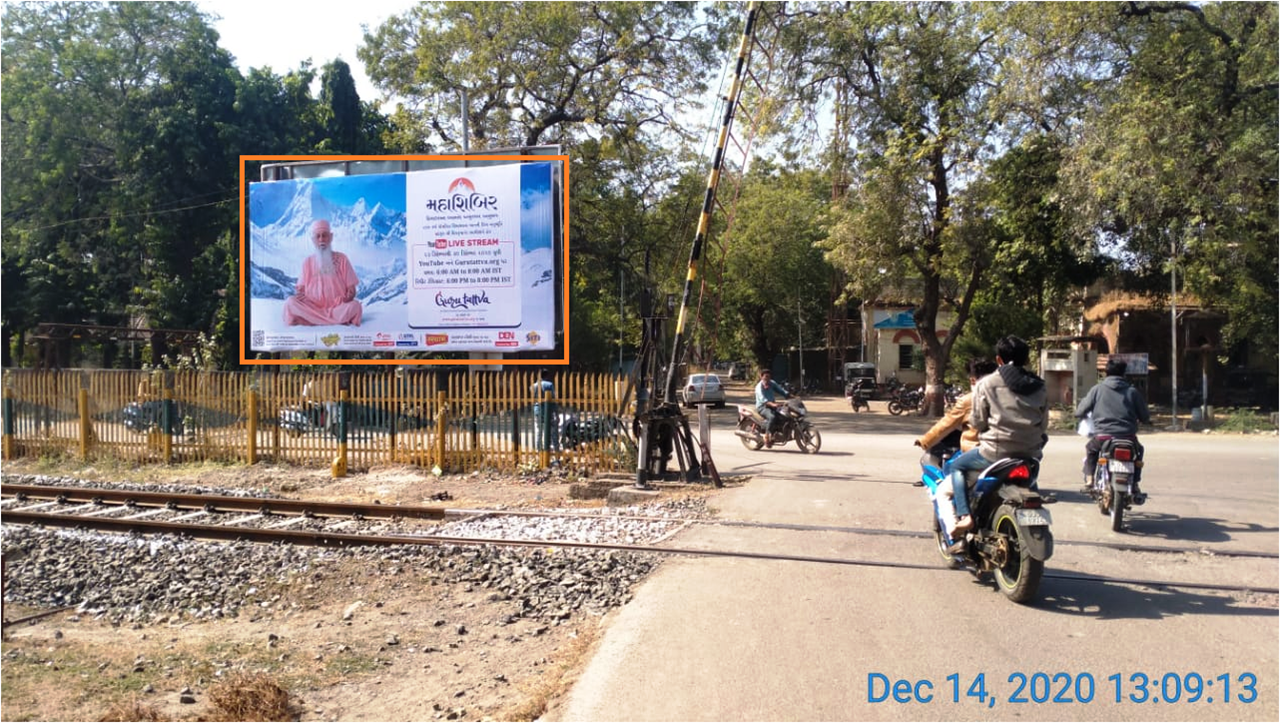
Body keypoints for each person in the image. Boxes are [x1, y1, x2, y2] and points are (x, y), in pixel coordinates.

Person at [945, 336, 1050, 546]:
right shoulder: (1040, 385)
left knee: (957, 466)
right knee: (1031, 483)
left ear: (999, 360)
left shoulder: (986, 383)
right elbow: (1043, 424)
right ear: (1026, 359)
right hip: (1030, 454)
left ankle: (965, 516)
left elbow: (978, 421)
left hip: (994, 453)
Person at [912, 359, 999, 486]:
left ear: (973, 380)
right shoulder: (1009, 397)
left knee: (946, 488)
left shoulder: (969, 400)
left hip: (980, 452)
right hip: (1015, 453)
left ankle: (961, 506)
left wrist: (924, 441)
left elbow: (946, 424)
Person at [1075, 357, 1151, 503]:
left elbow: (1080, 411)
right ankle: (1135, 483)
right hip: (1128, 437)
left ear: (1106, 372)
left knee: (1091, 449)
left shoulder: (1097, 390)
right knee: (1139, 451)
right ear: (1124, 373)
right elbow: (1145, 416)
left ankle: (1090, 479)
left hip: (1103, 437)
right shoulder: (1132, 392)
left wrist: (1082, 415)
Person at [283, 219, 362, 326]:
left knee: (355, 306)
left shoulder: (342, 259)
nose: (321, 240)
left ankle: (310, 321)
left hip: (337, 308)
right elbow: (300, 291)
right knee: (290, 302)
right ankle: (332, 321)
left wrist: (347, 298)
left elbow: (351, 290)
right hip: (313, 308)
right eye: (318, 236)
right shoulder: (307, 262)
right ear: (313, 240)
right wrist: (302, 298)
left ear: (331, 237)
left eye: (324, 235)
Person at [754, 369, 791, 447]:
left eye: (769, 377)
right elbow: (763, 400)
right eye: (766, 377)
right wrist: (772, 404)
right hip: (762, 407)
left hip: (772, 405)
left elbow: (781, 390)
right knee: (772, 417)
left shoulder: (772, 383)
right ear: (761, 376)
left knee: (785, 415)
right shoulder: (759, 387)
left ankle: (779, 433)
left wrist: (789, 396)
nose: (767, 379)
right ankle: (767, 436)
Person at [531, 369, 557, 451]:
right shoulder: (549, 385)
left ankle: (538, 448)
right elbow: (553, 398)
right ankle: (552, 447)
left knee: (539, 430)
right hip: (548, 410)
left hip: (537, 409)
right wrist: (555, 412)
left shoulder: (533, 386)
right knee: (551, 430)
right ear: (547, 376)